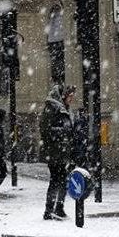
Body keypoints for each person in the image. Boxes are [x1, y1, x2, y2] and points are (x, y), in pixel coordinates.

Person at [40, 84, 75, 220]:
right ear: (63, 95)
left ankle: (58, 208)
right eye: (70, 96)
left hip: (63, 151)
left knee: (63, 180)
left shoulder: (64, 109)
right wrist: (63, 133)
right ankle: (49, 210)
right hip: (54, 152)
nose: (71, 99)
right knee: (56, 180)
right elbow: (45, 130)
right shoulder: (52, 108)